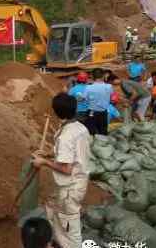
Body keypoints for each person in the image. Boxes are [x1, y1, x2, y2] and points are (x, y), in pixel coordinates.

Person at [32, 93, 90, 248]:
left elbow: (66, 168)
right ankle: (56, 241)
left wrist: (44, 161)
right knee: (52, 208)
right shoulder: (79, 127)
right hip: (77, 182)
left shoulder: (65, 136)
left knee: (70, 226)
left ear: (55, 111)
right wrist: (49, 153)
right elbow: (73, 152)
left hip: (69, 187)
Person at [85, 68, 113, 135]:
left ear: (92, 76)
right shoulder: (109, 86)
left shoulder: (88, 87)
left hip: (92, 112)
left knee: (91, 131)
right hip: (103, 112)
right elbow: (111, 96)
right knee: (103, 131)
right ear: (103, 76)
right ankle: (102, 144)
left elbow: (85, 99)